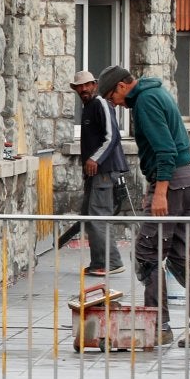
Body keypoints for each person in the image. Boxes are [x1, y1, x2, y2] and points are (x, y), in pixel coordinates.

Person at [98, 65, 190, 348]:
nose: (114, 103)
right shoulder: (157, 92)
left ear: (123, 86)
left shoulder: (145, 102)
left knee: (147, 254)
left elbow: (165, 150)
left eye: (112, 96)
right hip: (187, 177)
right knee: (182, 255)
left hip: (173, 181)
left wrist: (160, 191)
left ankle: (158, 325)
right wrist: (154, 188)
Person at [70, 69, 128, 275]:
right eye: (79, 86)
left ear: (94, 85)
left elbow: (112, 136)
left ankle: (111, 263)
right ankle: (99, 262)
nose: (83, 89)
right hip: (97, 172)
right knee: (91, 216)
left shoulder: (100, 103)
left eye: (87, 85)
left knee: (98, 216)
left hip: (105, 170)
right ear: (75, 89)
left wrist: (95, 158)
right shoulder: (89, 106)